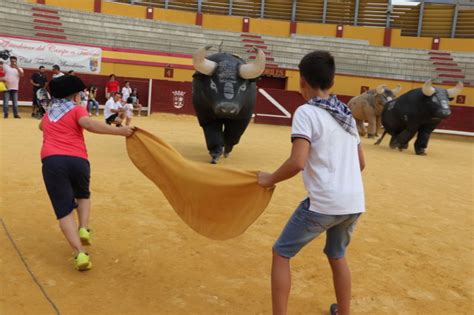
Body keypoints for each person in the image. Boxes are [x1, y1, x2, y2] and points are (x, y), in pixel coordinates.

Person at [257, 51, 365, 315]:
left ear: (302, 81)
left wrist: (269, 179)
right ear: (332, 80)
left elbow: (297, 161)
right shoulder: (346, 115)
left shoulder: (306, 112)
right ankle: (344, 312)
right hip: (354, 202)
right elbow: (360, 163)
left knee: (281, 253)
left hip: (324, 203)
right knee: (337, 255)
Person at [39, 75, 134, 271]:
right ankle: (83, 227)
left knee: (63, 210)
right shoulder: (76, 109)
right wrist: (120, 131)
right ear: (74, 95)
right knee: (83, 194)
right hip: (78, 160)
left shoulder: (49, 114)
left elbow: (40, 126)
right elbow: (89, 125)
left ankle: (79, 253)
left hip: (52, 161)